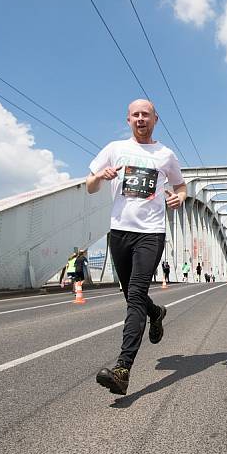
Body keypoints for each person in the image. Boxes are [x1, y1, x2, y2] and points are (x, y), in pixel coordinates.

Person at [86, 98, 186, 396]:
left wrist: (179, 197)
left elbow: (181, 186)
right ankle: (155, 314)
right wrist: (99, 178)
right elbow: (89, 186)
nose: (140, 119)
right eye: (135, 115)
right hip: (119, 232)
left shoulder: (165, 154)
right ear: (128, 119)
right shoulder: (114, 149)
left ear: (156, 119)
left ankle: (122, 368)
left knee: (135, 295)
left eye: (146, 114)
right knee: (131, 294)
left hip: (151, 233)